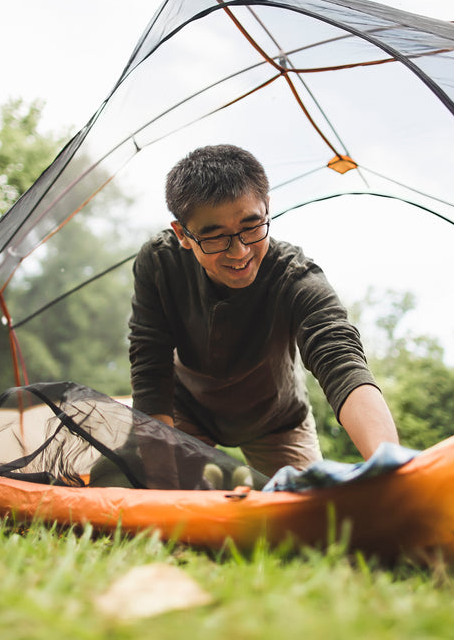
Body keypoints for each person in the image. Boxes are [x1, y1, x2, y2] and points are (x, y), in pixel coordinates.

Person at [128, 144, 399, 478]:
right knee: (149, 489)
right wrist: (162, 482)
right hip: (184, 411)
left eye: (251, 227)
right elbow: (149, 364)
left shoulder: (295, 276)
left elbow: (340, 358)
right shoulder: (159, 263)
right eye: (215, 237)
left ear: (267, 208)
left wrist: (390, 464)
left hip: (276, 419)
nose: (239, 251)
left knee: (304, 519)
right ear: (183, 234)